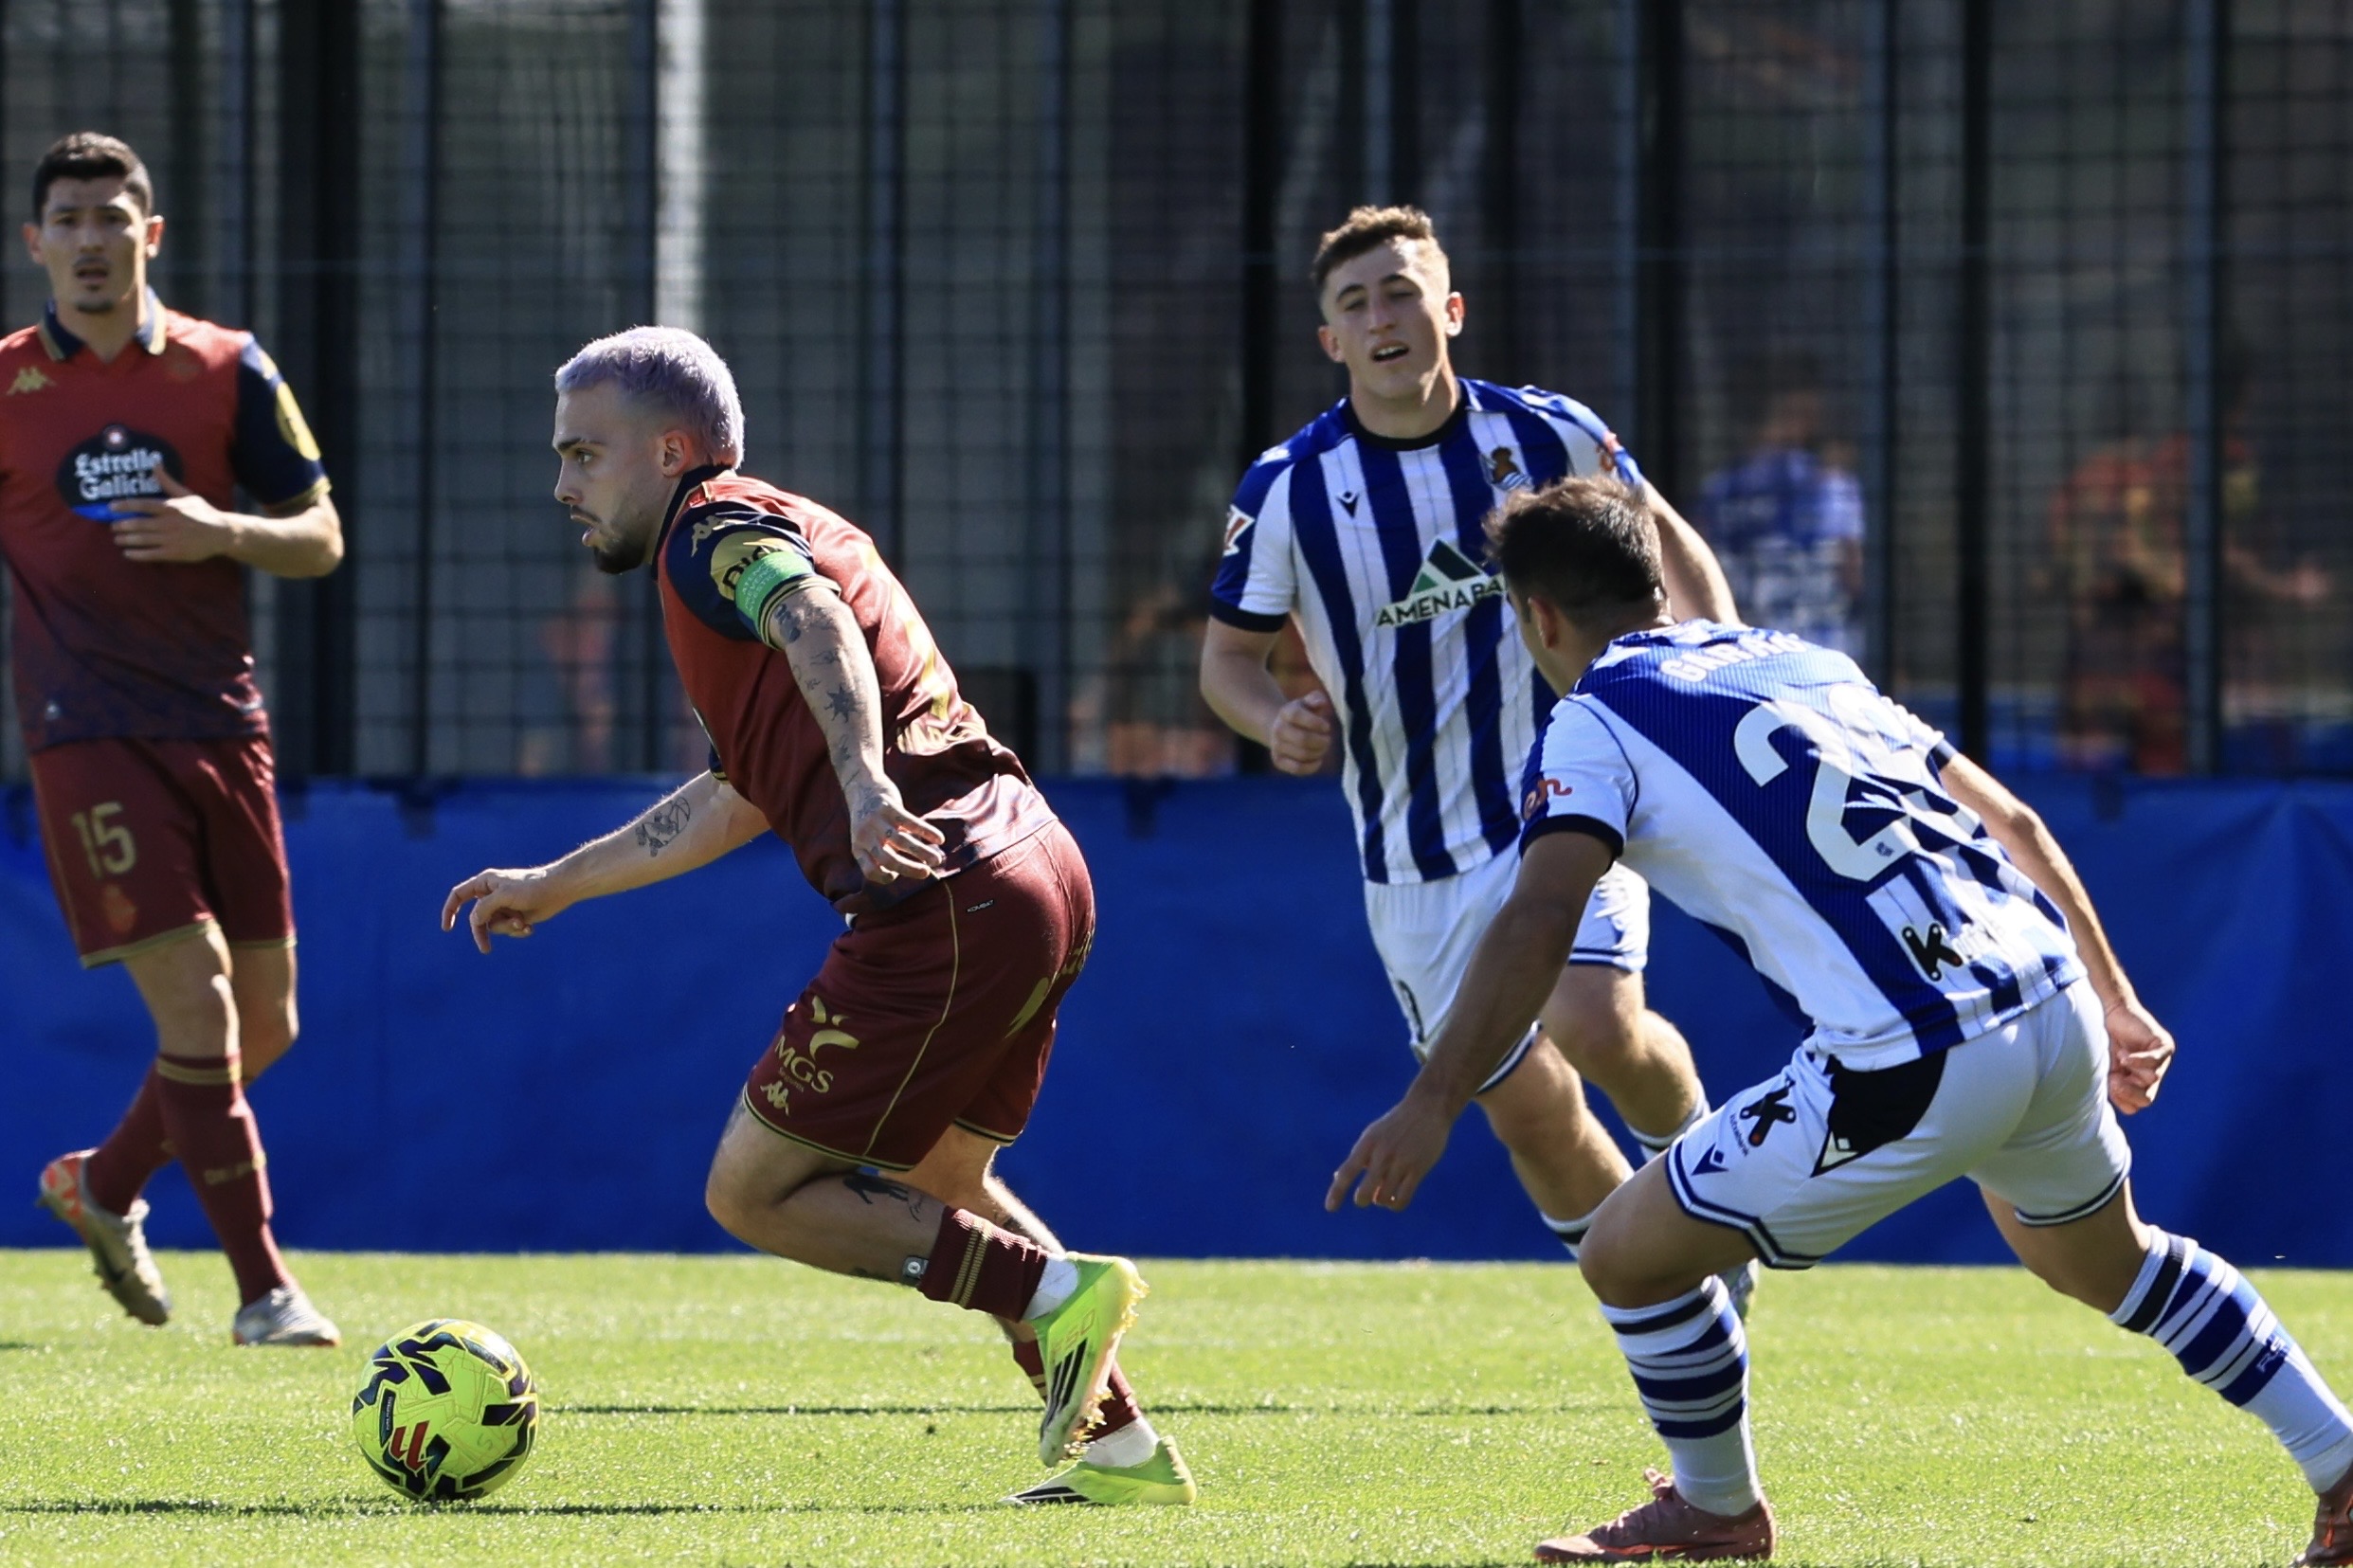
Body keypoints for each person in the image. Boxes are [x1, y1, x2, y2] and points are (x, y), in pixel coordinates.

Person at [1330, 474, 2353, 1565]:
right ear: (1654, 581)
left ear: (1537, 617)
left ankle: (1715, 1507)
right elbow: (2008, 817)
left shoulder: (1593, 719)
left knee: (1624, 1251)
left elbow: (1541, 912)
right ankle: (2340, 1463)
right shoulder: (1797, 657)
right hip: (2048, 995)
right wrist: (2113, 992)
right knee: (2114, 1264)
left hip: (1918, 1048)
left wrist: (1433, 1096)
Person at [441, 327, 1191, 1506]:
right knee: (942, 1175)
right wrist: (557, 879)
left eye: (585, 453)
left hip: (945, 891)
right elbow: (734, 792)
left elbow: (810, 617)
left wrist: (864, 783)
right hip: (1034, 866)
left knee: (752, 1189)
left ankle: (1053, 1292)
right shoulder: (774, 524)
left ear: (671, 451)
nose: (563, 485)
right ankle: (1121, 1452)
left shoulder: (708, 530)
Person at [1199, 205, 1747, 1279]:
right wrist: (1273, 719)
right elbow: (1226, 661)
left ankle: (1703, 1173)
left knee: (1595, 1022)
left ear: (1448, 309)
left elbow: (1665, 539)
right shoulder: (1286, 488)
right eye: (1355, 304)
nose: (1381, 318)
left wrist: (1711, 663)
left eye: (1400, 292)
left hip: (1568, 795)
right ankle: (1673, 1307)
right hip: (1412, 858)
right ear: (1331, 341)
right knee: (1530, 1114)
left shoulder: (1546, 435)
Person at [7, 133, 343, 1347]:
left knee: (266, 1024)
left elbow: (320, 535)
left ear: (149, 235)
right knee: (199, 1008)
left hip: (221, 723)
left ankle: (100, 1183)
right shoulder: (5, 384)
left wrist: (222, 529)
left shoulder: (226, 366)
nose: (91, 240)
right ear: (36, 243)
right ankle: (266, 1290)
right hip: (84, 732)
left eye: (113, 218)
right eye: (69, 219)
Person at [1693, 351, 1865, 658]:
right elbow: (1856, 577)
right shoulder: (1832, 487)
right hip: (1818, 659)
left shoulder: (1719, 491)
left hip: (1751, 658)